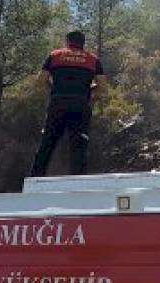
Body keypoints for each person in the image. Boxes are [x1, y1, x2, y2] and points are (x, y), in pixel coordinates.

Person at [29, 30, 106, 177]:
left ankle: (35, 178)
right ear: (83, 43)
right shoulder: (92, 59)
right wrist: (89, 91)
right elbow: (103, 87)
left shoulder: (55, 55)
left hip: (58, 102)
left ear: (67, 41)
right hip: (81, 104)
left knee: (47, 142)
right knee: (79, 144)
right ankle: (78, 180)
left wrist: (52, 88)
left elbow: (40, 81)